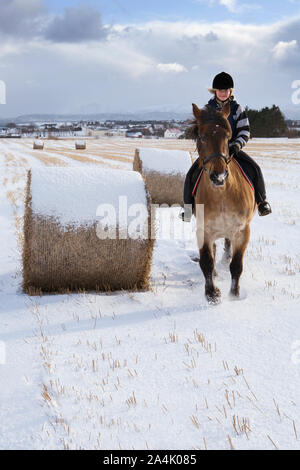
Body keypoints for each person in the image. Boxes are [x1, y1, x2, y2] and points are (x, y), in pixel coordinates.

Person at [181, 72, 272, 221]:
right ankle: (188, 208)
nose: (223, 93)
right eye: (220, 90)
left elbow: (244, 131)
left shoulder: (237, 109)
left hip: (231, 150)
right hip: (211, 152)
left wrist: (236, 146)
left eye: (226, 90)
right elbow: (199, 132)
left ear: (231, 91)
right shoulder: (206, 110)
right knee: (191, 174)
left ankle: (262, 202)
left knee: (255, 168)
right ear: (214, 91)